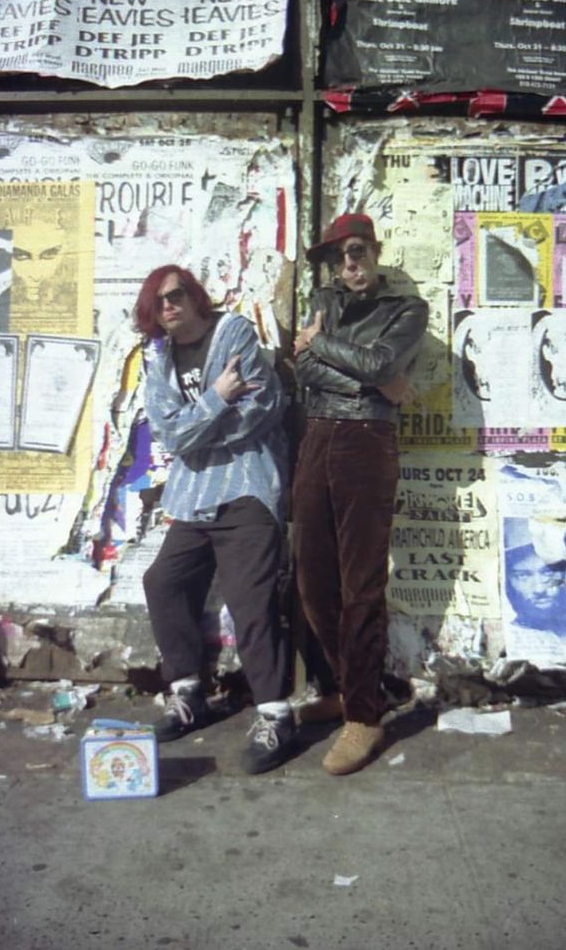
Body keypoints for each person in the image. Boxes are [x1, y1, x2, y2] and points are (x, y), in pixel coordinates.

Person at [135, 264, 295, 775]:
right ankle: (188, 692)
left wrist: (196, 426)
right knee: (162, 581)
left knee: (251, 602)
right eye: (158, 302)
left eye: (176, 295)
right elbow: (171, 437)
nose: (168, 307)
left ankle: (276, 714)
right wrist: (216, 399)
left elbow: (262, 409)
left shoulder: (234, 334)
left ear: (195, 296)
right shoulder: (157, 358)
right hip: (193, 496)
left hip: (248, 488)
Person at [291, 213, 428, 775]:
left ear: (373, 249)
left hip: (368, 442)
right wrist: (379, 384)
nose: (349, 264)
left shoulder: (407, 309)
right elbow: (301, 369)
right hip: (318, 436)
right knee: (311, 578)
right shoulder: (324, 299)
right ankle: (350, 687)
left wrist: (323, 345)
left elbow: (379, 361)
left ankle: (366, 716)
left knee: (361, 584)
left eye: (355, 251)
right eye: (338, 257)